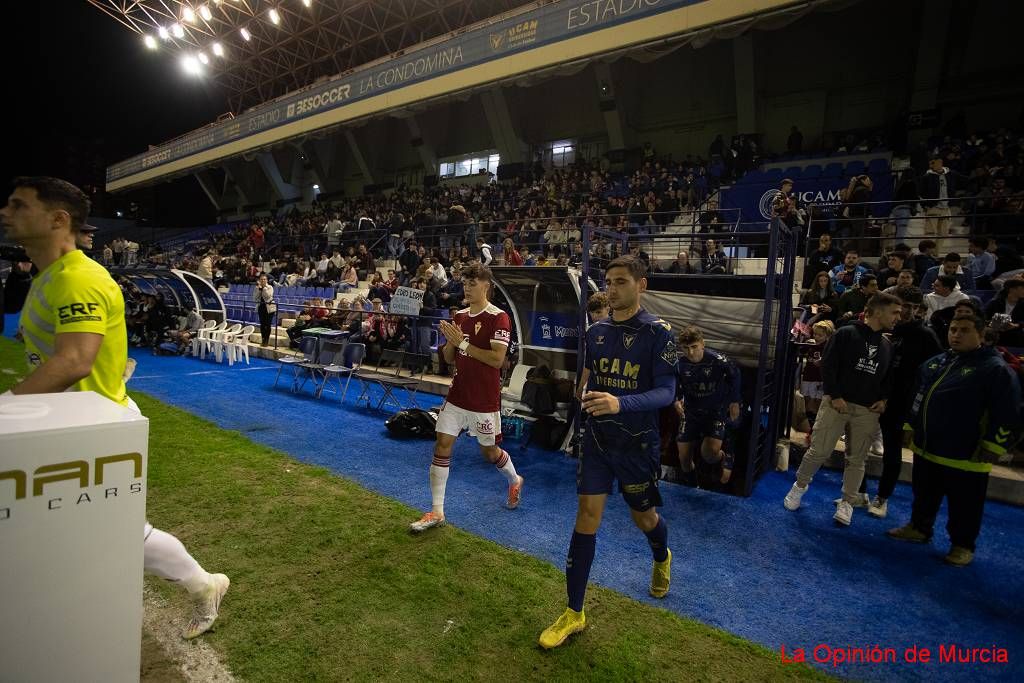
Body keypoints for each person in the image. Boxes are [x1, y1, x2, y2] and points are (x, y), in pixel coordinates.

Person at [0, 176, 229, 638]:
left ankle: (204, 584)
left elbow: (75, 360)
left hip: (95, 426)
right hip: (69, 421)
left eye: (19, 205)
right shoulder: (51, 276)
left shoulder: (79, 278)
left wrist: (7, 405)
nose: (6, 212)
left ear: (58, 219)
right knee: (83, 529)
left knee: (118, 530)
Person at [540, 256, 677, 649]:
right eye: (608, 282)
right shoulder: (596, 331)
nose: (612, 289)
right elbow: (595, 379)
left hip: (637, 445)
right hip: (599, 441)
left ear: (642, 285)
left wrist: (621, 403)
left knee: (645, 518)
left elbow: (666, 393)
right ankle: (574, 612)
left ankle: (661, 556)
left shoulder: (659, 333)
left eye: (620, 282)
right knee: (586, 516)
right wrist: (588, 399)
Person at [887, 313, 1020, 566]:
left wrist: (994, 445)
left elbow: (1008, 413)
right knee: (924, 492)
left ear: (981, 335)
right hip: (927, 447)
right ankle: (919, 527)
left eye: (965, 330)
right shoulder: (935, 363)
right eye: (954, 329)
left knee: (965, 504)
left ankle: (962, 544)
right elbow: (917, 397)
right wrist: (909, 425)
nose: (956, 334)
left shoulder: (995, 369)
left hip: (966, 454)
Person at [409, 262, 522, 532]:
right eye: (465, 283)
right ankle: (437, 511)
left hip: (483, 399)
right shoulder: (459, 316)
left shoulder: (499, 317)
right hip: (458, 394)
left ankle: (515, 479)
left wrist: (463, 343)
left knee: (489, 452)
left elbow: (497, 361)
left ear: (487, 286)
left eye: (473, 284)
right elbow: (450, 359)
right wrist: (449, 343)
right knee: (442, 444)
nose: (467, 288)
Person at [783, 292, 901, 525]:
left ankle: (848, 502)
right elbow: (829, 365)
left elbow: (889, 376)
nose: (898, 317)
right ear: (877, 311)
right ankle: (799, 486)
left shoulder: (887, 345)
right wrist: (834, 395)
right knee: (818, 450)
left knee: (857, 459)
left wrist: (884, 399)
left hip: (866, 409)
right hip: (836, 404)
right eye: (894, 312)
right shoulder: (846, 333)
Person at [864, 286, 942, 519]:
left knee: (892, 451)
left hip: (899, 404)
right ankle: (857, 493)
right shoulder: (884, 329)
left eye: (911, 307)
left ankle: (882, 497)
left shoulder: (926, 336)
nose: (905, 312)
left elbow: (936, 370)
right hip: (869, 398)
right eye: (902, 307)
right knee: (856, 447)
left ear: (919, 309)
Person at [674, 325, 741, 486]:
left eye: (694, 347)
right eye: (686, 348)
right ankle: (692, 487)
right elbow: (673, 385)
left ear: (702, 344)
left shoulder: (718, 361)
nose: (690, 352)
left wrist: (734, 401)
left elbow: (735, 375)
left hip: (715, 412)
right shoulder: (679, 364)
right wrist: (676, 399)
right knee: (683, 458)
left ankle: (723, 457)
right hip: (691, 413)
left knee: (709, 453)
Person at [254, 273, 276, 346]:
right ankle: (263, 339)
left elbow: (268, 296)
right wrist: (259, 290)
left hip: (269, 308)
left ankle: (267, 340)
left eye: (264, 279)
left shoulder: (270, 287)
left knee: (268, 324)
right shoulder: (257, 288)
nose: (263, 281)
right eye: (261, 279)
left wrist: (264, 288)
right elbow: (255, 298)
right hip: (261, 307)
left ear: (267, 280)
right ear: (259, 280)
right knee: (262, 325)